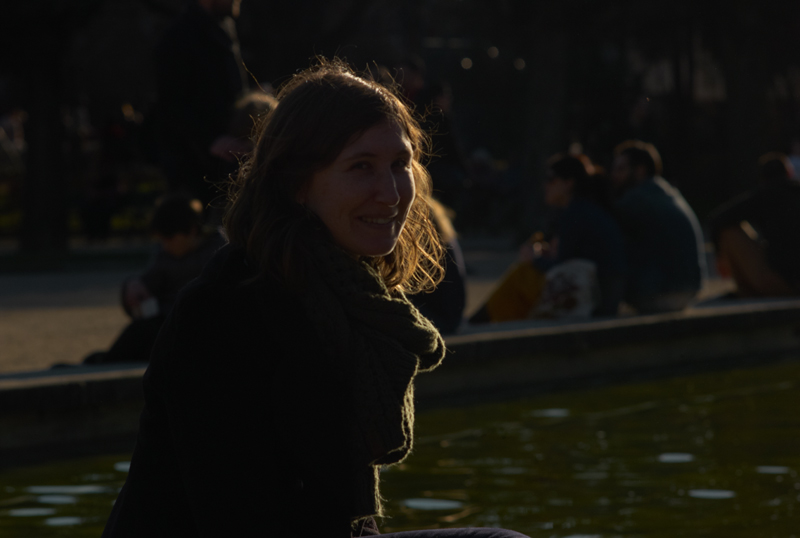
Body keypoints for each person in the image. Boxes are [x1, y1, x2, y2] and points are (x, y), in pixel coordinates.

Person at [102, 60, 528, 538]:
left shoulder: (345, 292)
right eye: (361, 167)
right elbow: (234, 514)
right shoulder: (223, 313)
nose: (391, 193)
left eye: (399, 164)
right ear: (296, 182)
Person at [470, 154, 627, 323]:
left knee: (523, 274)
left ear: (569, 183)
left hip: (596, 300)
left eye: (551, 179)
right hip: (604, 295)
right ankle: (484, 318)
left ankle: (480, 320)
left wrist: (534, 258)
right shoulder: (585, 208)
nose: (545, 185)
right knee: (524, 275)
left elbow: (560, 266)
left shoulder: (576, 213)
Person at [83, 194, 224, 365]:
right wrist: (133, 287)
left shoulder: (217, 252)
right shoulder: (164, 255)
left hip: (199, 327)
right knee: (141, 331)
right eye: (162, 240)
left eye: (169, 239)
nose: (165, 245)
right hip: (165, 322)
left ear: (192, 230)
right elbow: (148, 284)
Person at [154, 0, 249, 209]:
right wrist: (211, 140)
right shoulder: (179, 37)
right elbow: (170, 105)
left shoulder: (223, 28)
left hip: (225, 162)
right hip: (197, 171)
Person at [610, 140, 706, 313]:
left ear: (640, 170)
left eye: (621, 169)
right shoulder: (665, 192)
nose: (614, 175)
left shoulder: (637, 198)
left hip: (658, 293)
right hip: (688, 290)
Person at [707, 152, 800, 296]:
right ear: (789, 173)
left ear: (762, 178)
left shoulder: (765, 195)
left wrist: (719, 255)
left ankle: (744, 290)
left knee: (729, 230)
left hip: (784, 281)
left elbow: (717, 219)